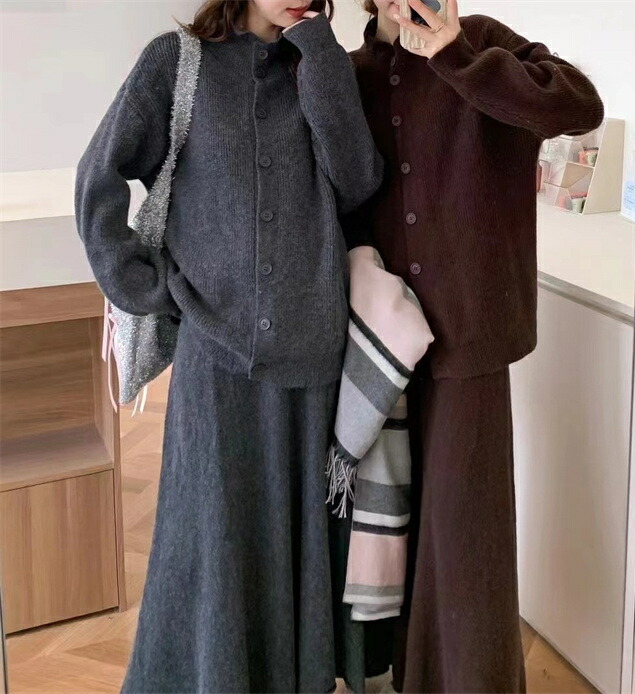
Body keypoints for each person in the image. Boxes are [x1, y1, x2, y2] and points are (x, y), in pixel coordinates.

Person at [74, 0, 383, 690]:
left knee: (294, 547)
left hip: (312, 359)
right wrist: (145, 286)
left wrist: (319, 53)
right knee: (208, 542)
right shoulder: (177, 62)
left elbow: (358, 181)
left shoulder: (321, 65)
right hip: (215, 358)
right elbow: (98, 177)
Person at [335, 0, 605, 690]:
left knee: (467, 540)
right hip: (379, 346)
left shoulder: (479, 41)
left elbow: (579, 106)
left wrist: (455, 55)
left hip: (469, 339)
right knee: (394, 527)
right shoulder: (352, 72)